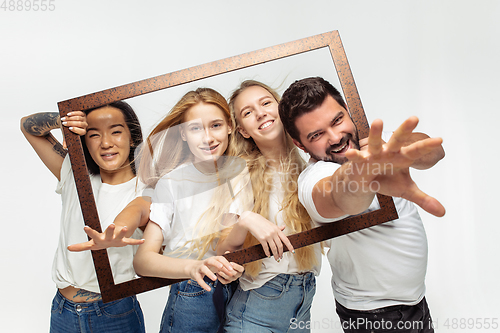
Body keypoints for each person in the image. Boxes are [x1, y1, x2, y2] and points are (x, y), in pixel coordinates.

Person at [278, 76, 446, 333]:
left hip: (414, 302)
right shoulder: (313, 179)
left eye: (337, 120)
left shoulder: (378, 147)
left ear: (348, 110)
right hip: (374, 317)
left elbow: (435, 151)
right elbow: (341, 196)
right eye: (317, 134)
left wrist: (399, 150)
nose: (335, 137)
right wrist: (363, 176)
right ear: (300, 144)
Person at [81, 88, 246, 333]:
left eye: (216, 125)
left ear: (230, 126)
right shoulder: (172, 183)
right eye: (195, 128)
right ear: (182, 133)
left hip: (243, 299)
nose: (208, 137)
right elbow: (143, 260)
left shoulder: (244, 173)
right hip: (193, 299)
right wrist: (192, 267)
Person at [20, 101, 146, 333]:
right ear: (84, 141)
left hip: (114, 313)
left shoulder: (147, 190)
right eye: (94, 134)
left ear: (133, 137)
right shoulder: (75, 171)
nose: (106, 142)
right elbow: (27, 127)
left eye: (116, 131)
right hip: (62, 310)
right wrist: (62, 121)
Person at [217, 80, 322, 333]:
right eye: (248, 112)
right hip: (256, 310)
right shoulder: (239, 173)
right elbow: (223, 247)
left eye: (265, 103)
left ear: (281, 109)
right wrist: (246, 219)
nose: (260, 112)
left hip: (303, 304)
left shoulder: (314, 166)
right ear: (242, 130)